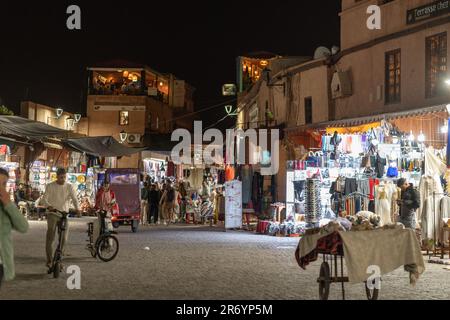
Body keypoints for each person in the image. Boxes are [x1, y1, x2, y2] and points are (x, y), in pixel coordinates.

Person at [40, 168, 80, 269]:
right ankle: (49, 260)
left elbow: (74, 199)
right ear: (57, 176)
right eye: (61, 177)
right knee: (50, 238)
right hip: (53, 214)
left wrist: (78, 209)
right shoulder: (50, 186)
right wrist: (49, 206)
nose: (63, 179)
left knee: (64, 239)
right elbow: (44, 199)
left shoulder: (69, 187)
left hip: (64, 215)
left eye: (64, 177)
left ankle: (59, 259)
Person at [0, 168, 29, 286]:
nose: (1, 187)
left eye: (3, 184)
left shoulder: (6, 207)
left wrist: (9, 205)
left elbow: (23, 227)